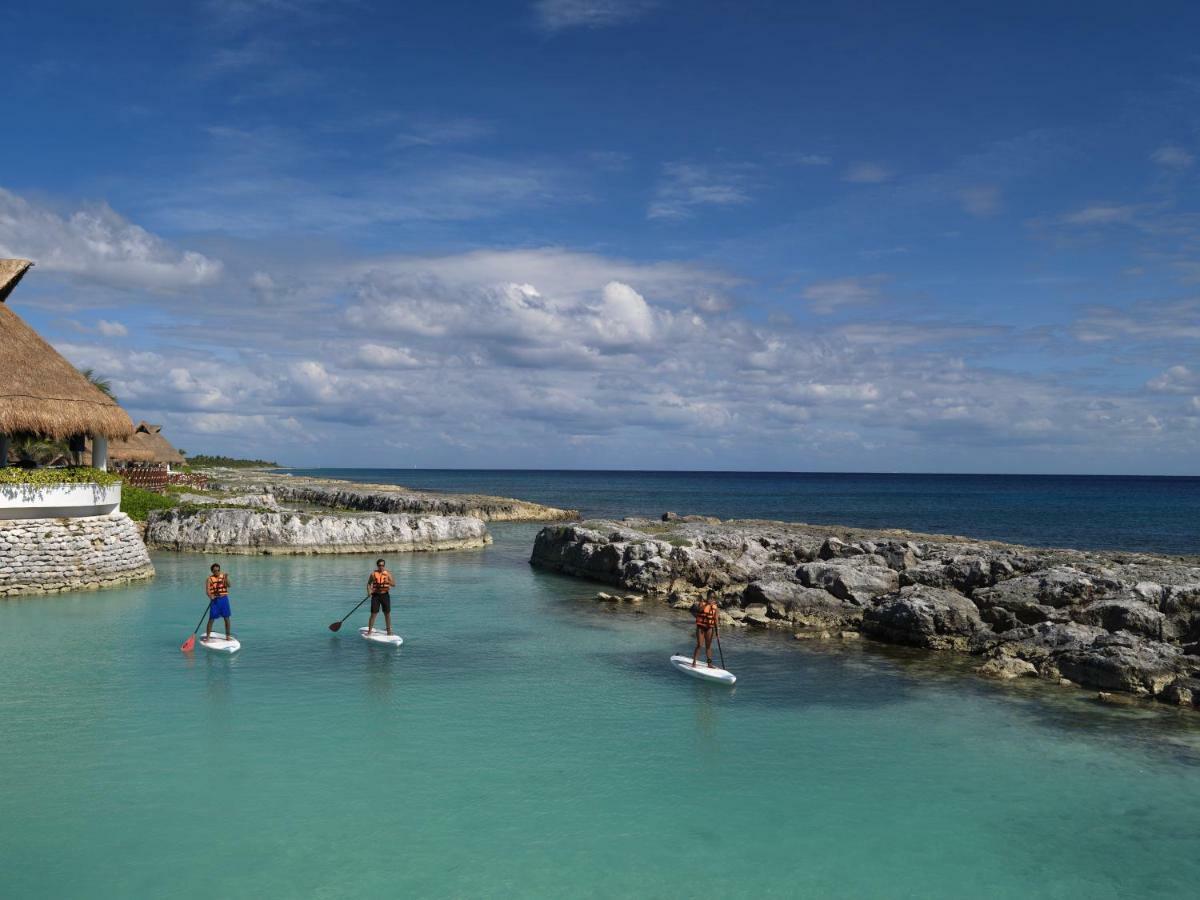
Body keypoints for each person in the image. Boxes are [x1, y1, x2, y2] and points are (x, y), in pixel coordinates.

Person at [366, 558, 396, 636]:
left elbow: (394, 584)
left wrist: (388, 581)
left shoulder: (388, 574)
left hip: (385, 595)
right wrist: (369, 592)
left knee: (387, 614)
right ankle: (369, 631)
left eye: (382, 565)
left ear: (384, 566)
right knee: (373, 614)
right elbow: (369, 584)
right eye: (379, 565)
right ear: (377, 566)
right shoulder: (373, 574)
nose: (381, 567)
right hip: (375, 596)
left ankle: (389, 631)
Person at [205, 563, 232, 643]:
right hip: (215, 600)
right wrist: (211, 596)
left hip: (224, 599)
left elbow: (229, 585)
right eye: (215, 571)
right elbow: (207, 591)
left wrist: (226, 578)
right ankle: (208, 637)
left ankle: (228, 636)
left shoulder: (224, 576)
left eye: (218, 570)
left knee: (227, 618)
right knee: (211, 619)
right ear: (212, 571)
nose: (217, 572)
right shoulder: (209, 579)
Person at [692, 594, 719, 668]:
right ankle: (694, 662)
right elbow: (699, 610)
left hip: (709, 628)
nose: (712, 599)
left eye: (713, 598)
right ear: (707, 598)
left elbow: (716, 619)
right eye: (710, 597)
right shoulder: (702, 604)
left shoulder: (715, 607)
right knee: (700, 645)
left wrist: (717, 631)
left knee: (708, 647)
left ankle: (709, 664)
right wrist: (707, 604)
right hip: (701, 627)